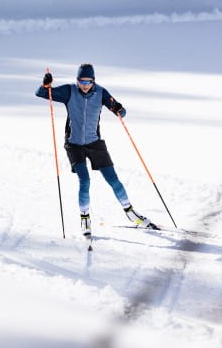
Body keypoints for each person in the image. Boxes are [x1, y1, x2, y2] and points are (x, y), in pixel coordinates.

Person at [36, 63, 156, 236]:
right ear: (77, 81)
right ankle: (85, 219)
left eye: (88, 82)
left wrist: (119, 109)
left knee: (113, 180)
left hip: (95, 143)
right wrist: (46, 86)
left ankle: (131, 213)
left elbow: (120, 112)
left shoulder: (101, 93)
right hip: (74, 144)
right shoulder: (69, 91)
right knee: (84, 181)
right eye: (82, 82)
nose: (85, 86)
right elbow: (41, 93)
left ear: (93, 81)